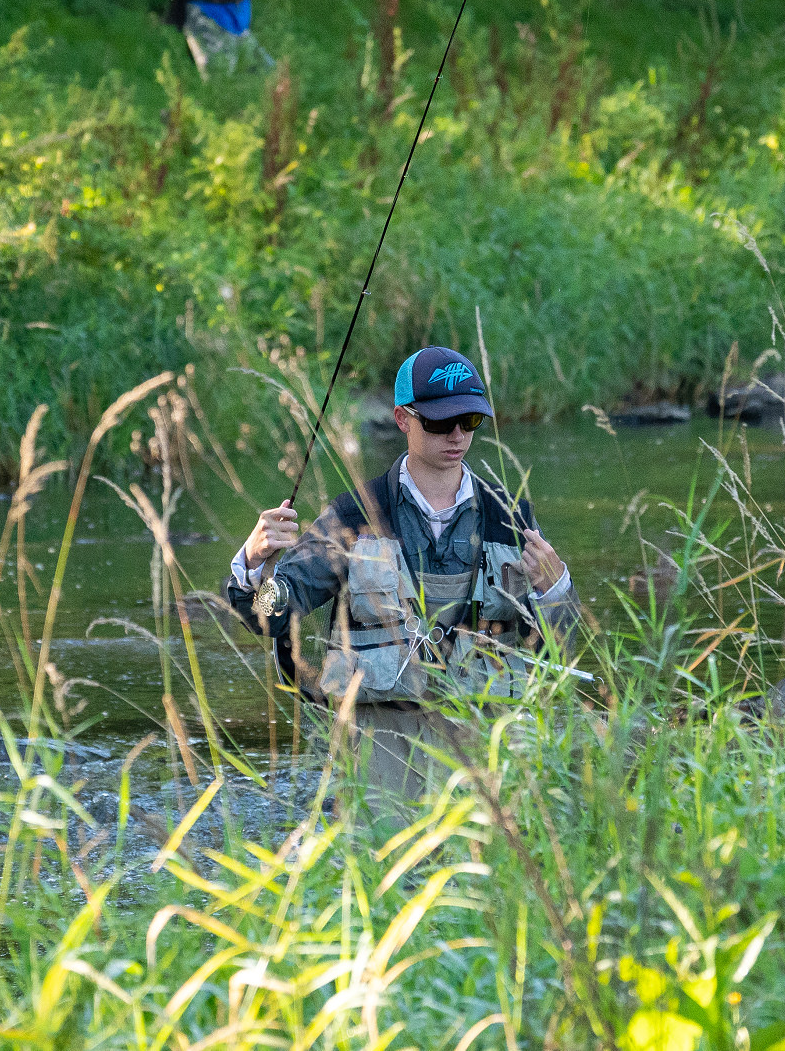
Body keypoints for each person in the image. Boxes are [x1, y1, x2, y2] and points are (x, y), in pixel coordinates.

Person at [226, 346, 578, 812]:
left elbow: (565, 650)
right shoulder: (354, 514)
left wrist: (555, 588)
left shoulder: (510, 517)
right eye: (439, 422)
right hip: (378, 748)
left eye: (469, 421)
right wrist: (254, 564)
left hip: (486, 747)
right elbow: (270, 616)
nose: (456, 434)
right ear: (402, 419)